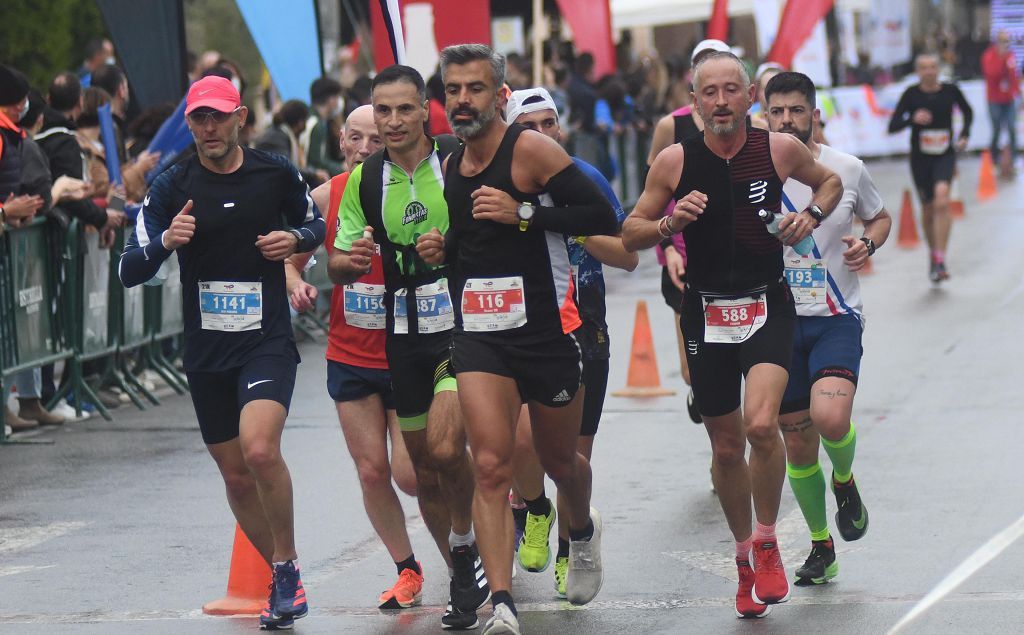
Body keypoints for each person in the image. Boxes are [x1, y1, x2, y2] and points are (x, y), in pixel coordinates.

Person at [621, 51, 842, 619]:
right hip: (706, 311)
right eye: (708, 92)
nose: (721, 102)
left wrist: (810, 217)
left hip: (768, 302)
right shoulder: (674, 160)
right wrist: (671, 223)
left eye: (731, 90)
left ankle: (767, 538)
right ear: (693, 102)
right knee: (724, 445)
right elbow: (630, 232)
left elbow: (831, 182)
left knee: (762, 425)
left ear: (749, 98)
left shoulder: (778, 148)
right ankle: (744, 557)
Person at [418, 44, 618, 635]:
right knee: (491, 466)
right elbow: (471, 245)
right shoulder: (451, 165)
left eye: (474, 89)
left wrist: (526, 213)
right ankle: (502, 603)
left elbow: (602, 216)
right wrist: (441, 250)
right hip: (481, 338)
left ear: (499, 95)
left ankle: (580, 529)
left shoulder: (530, 149)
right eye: (452, 90)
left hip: (548, 336)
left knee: (562, 461)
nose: (461, 101)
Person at [118, 75, 325, 630]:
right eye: (198, 119)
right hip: (207, 348)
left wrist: (297, 241)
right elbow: (128, 269)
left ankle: (283, 566)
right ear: (189, 123)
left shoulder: (274, 172)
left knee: (260, 451)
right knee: (235, 475)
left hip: (266, 341)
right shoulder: (171, 184)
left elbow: (317, 223)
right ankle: (288, 574)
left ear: (240, 119)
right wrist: (166, 241)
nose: (208, 128)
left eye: (218, 117)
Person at [327, 65, 488, 631]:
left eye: (403, 109)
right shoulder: (366, 180)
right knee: (420, 467)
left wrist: (453, 245)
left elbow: (492, 232)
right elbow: (338, 262)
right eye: (383, 110)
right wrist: (350, 260)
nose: (392, 121)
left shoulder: (456, 160)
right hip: (402, 336)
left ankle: (468, 545)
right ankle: (462, 576)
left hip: (459, 327)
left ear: (425, 109)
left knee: (446, 450)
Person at [284, 104, 425, 611]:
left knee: (413, 474)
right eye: (355, 139)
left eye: (374, 140)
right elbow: (291, 261)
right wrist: (297, 284)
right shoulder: (327, 196)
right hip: (351, 354)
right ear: (341, 142)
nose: (364, 148)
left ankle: (472, 536)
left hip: (408, 350)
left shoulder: (411, 189)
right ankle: (407, 568)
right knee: (371, 472)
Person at [504, 87, 637, 598]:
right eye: (529, 126)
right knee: (516, 442)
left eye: (549, 123)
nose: (542, 134)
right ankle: (532, 508)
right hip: (521, 327)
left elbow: (626, 256)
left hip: (584, 327)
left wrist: (562, 225)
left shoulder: (584, 181)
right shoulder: (502, 181)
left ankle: (570, 548)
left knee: (571, 456)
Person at [764, 71, 892, 586]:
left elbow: (880, 218)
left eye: (797, 110)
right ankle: (822, 547)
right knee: (797, 444)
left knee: (831, 418)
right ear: (765, 115)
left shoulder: (847, 168)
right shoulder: (756, 171)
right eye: (777, 111)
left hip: (837, 315)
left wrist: (869, 244)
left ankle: (845, 478)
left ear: (815, 113)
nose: (787, 120)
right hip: (777, 322)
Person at [644, 40, 731, 424]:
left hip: (731, 252)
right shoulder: (670, 126)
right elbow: (655, 195)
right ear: (692, 81)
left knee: (733, 365)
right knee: (693, 365)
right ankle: (700, 387)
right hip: (681, 252)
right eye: (704, 70)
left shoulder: (748, 125)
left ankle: (729, 446)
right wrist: (669, 249)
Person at [888, 53, 972, 283]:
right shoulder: (911, 94)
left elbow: (968, 112)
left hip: (945, 154)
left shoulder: (950, 90)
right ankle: (933, 255)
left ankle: (941, 256)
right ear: (918, 71)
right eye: (924, 67)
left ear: (938, 69)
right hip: (920, 158)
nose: (929, 71)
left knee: (942, 200)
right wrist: (912, 118)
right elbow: (893, 125)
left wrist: (964, 135)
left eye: (933, 67)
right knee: (927, 208)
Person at [981, 31, 1019, 176]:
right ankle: (993, 159)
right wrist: (1001, 59)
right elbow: (992, 74)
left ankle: (1014, 160)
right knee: (996, 130)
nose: (1005, 44)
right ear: (996, 42)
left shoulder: (1011, 55)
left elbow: (1014, 76)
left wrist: (1017, 94)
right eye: (1003, 41)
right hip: (994, 100)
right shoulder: (988, 56)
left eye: (1007, 41)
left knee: (1011, 128)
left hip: (1009, 100)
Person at [305, 77, 344, 176]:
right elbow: (318, 161)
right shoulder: (317, 125)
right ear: (330, 99)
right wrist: (341, 168)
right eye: (337, 97)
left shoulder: (311, 118)